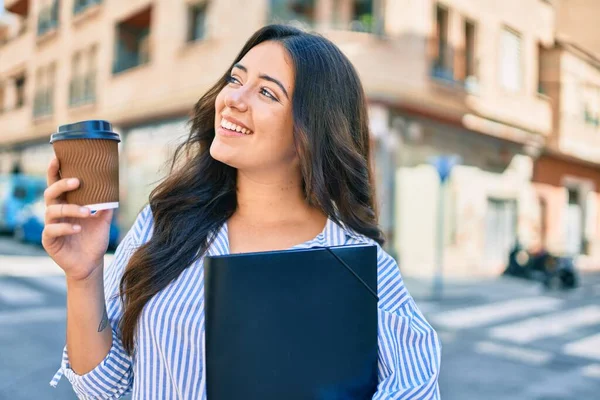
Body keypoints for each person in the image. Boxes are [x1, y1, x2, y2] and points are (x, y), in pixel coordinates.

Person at [45, 24, 441, 399]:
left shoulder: (358, 265)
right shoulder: (166, 222)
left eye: (267, 93)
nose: (233, 98)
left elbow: (417, 387)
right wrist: (85, 275)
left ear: (311, 132)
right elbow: (101, 388)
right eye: (236, 79)